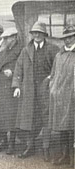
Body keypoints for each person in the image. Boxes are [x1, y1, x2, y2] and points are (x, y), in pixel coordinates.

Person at [12, 21, 59, 159]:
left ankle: (46, 149)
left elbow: (57, 69)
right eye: (34, 33)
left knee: (46, 119)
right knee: (30, 118)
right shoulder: (26, 50)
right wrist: (16, 86)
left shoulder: (52, 49)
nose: (36, 35)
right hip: (29, 91)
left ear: (44, 34)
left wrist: (51, 79)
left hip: (46, 90)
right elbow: (18, 69)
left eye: (39, 33)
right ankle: (30, 147)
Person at [0, 28, 22, 155]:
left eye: (7, 38)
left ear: (14, 38)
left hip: (10, 88)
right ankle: (2, 141)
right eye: (4, 38)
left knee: (11, 116)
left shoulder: (20, 51)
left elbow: (22, 67)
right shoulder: (3, 52)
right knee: (0, 115)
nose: (5, 40)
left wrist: (12, 73)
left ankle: (11, 143)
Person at [48, 24, 75, 167]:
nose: (68, 40)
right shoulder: (59, 55)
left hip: (73, 97)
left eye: (70, 37)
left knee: (73, 128)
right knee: (63, 128)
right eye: (65, 38)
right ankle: (65, 156)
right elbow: (53, 75)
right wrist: (53, 89)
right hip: (61, 97)